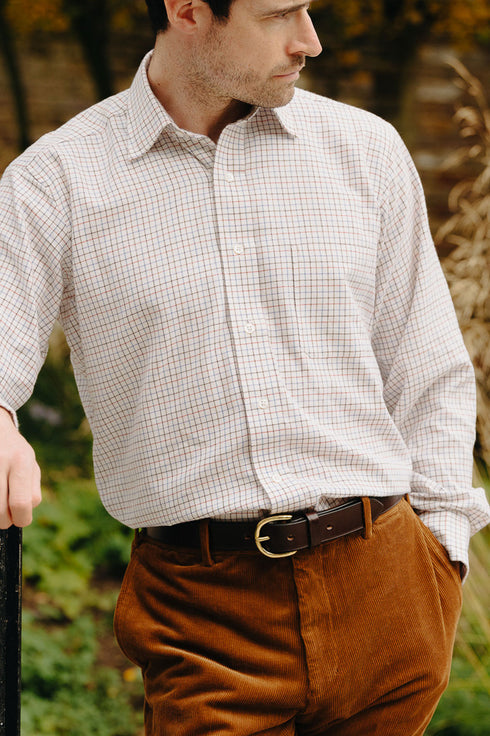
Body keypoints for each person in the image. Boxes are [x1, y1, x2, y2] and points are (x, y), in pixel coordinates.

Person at [0, 0, 489, 733]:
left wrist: (442, 556)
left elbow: (429, 370)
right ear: (188, 9)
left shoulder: (365, 150)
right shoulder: (57, 182)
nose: (310, 41)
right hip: (204, 620)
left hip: (388, 592)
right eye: (279, 14)